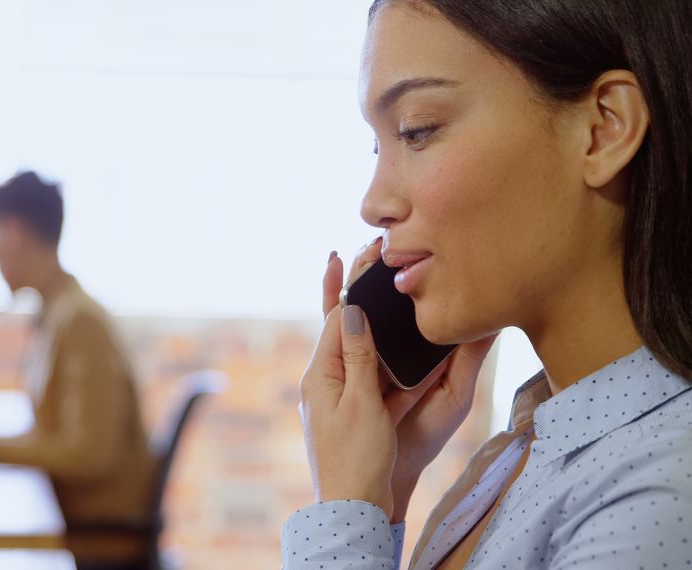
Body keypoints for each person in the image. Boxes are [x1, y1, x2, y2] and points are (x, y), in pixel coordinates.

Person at [282, 1, 692, 568]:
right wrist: (384, 490)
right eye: (379, 146)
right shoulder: (530, 448)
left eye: (416, 131)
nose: (374, 204)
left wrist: (344, 515)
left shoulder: (660, 492)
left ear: (603, 129)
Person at [0, 171, 154, 569]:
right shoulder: (57, 313)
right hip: (76, 523)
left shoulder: (79, 321)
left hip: (99, 539)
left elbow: (87, 454)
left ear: (13, 233)